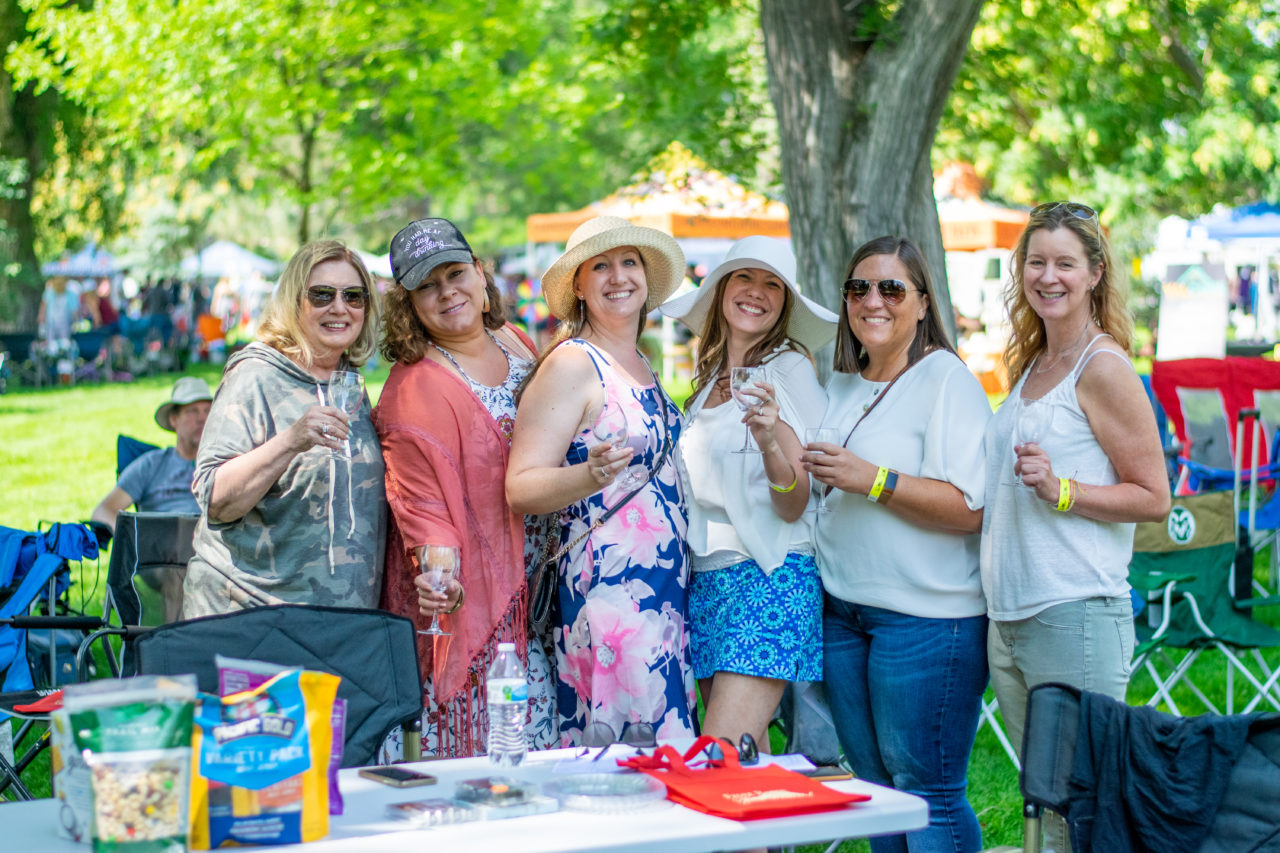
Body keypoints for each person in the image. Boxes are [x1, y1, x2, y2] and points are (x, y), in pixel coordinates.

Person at [981, 202, 1170, 852]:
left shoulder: (1103, 366)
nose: (1048, 275)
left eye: (1065, 262)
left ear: (1094, 272)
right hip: (1011, 616)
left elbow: (1154, 495)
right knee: (1047, 811)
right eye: (1037, 261)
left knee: (1087, 810)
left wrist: (1062, 489)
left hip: (1076, 613)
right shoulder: (1034, 363)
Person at [803, 236, 992, 853]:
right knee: (878, 794)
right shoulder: (839, 385)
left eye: (891, 288)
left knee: (926, 792)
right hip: (843, 615)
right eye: (859, 288)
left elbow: (971, 509)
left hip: (927, 621)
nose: (873, 301)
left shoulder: (945, 380)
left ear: (922, 301)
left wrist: (873, 479)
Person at [507, 215, 695, 745]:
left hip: (664, 591)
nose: (619, 277)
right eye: (601, 266)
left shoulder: (642, 362)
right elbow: (519, 487)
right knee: (625, 759)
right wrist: (587, 475)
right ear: (580, 287)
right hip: (609, 594)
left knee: (664, 750)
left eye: (629, 262)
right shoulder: (572, 364)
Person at [374, 218, 556, 758]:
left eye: (456, 273)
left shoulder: (515, 341)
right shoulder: (414, 389)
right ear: (407, 304)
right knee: (490, 770)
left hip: (545, 589)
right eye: (427, 285)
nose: (447, 291)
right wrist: (439, 577)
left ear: (480, 273)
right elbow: (421, 505)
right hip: (486, 611)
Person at [659, 236, 835, 751]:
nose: (756, 292)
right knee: (741, 768)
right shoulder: (711, 373)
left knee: (716, 759)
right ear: (719, 290)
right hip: (709, 583)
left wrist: (768, 442)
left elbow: (797, 498)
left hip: (768, 576)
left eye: (772, 284)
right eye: (744, 277)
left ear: (785, 302)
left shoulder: (787, 369)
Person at [182, 240, 386, 618]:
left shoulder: (349, 383)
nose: (339, 307)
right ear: (294, 302)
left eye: (354, 296)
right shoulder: (255, 376)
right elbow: (215, 499)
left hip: (341, 627)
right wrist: (292, 440)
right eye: (322, 295)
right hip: (253, 618)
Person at [90, 376, 212, 532]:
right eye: (192, 411)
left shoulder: (226, 464)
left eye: (207, 411)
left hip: (215, 550)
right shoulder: (151, 465)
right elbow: (104, 510)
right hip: (162, 548)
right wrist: (134, 539)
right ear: (174, 419)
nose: (202, 418)